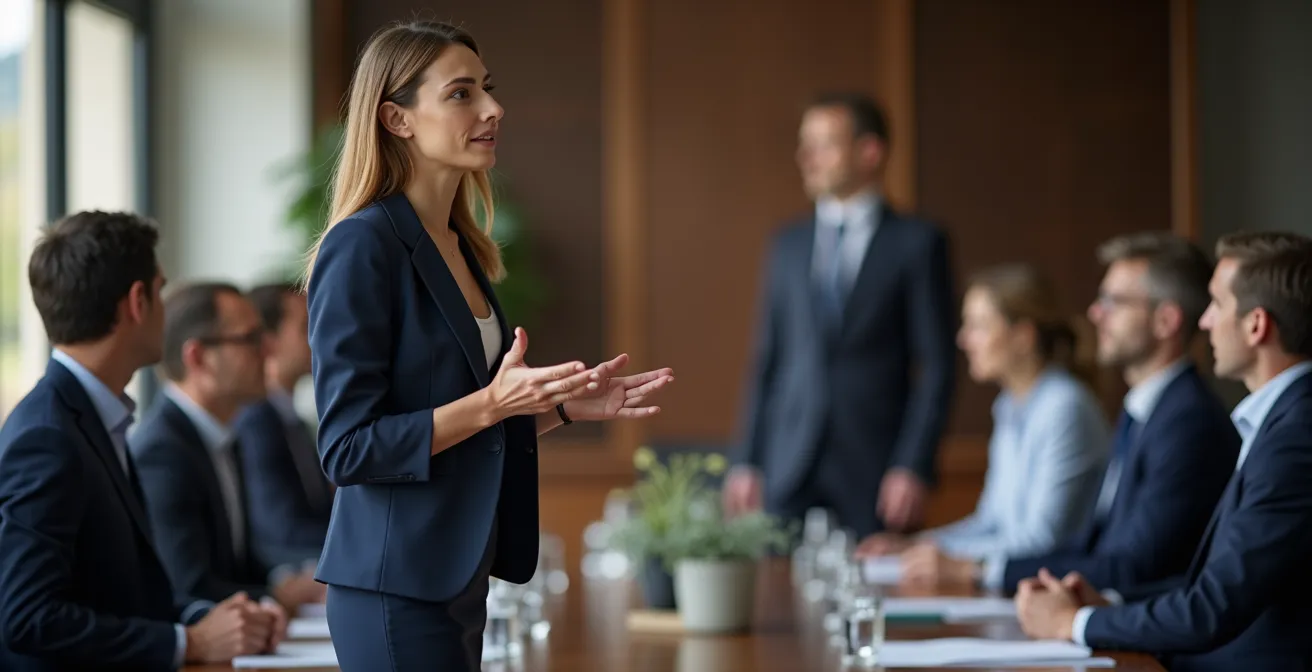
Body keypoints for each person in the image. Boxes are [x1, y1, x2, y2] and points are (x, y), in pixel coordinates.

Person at [302, 21, 674, 671]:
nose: (493, 109)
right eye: (461, 94)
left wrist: (556, 409)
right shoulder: (362, 245)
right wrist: (496, 405)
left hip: (456, 580)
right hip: (395, 587)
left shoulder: (460, 246)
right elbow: (347, 448)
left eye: (488, 90)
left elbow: (467, 419)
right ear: (397, 119)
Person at [1017, 232, 1312, 672]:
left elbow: (1211, 609)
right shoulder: (1280, 421)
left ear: (1256, 325)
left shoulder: (1295, 435)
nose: (1206, 321)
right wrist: (1109, 603)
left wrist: (1075, 622)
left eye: (1217, 304)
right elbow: (1209, 585)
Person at [0, 211, 279, 671]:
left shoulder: (91, 418)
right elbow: (29, 618)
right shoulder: (48, 436)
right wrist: (189, 643)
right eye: (161, 290)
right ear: (137, 302)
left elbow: (119, 595)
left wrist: (203, 621)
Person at [725, 92, 957, 538]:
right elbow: (767, 359)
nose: (806, 156)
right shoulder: (786, 244)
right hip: (786, 461)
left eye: (825, 143)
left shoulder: (918, 243)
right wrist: (747, 460)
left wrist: (912, 463)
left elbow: (938, 365)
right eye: (804, 143)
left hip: (877, 466)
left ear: (870, 152)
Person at [988, 233, 1238, 594]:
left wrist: (990, 572)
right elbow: (1094, 544)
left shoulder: (1189, 422)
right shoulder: (1146, 409)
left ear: (1165, 321)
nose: (1095, 312)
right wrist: (988, 569)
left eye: (1114, 301)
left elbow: (1133, 566)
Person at [856, 264, 1110, 584]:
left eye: (978, 326)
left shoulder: (1064, 407)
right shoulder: (1008, 406)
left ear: (1022, 337)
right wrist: (915, 546)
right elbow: (991, 521)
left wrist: (956, 563)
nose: (963, 340)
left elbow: (1041, 540)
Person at [131, 283, 324, 614]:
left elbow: (236, 564)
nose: (268, 351)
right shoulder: (162, 451)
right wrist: (274, 597)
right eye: (250, 339)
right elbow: (188, 586)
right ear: (198, 358)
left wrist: (280, 583)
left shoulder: (221, 438)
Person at [233, 282, 332, 568]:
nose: (318, 335)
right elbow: (282, 529)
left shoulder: (293, 421)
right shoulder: (256, 421)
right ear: (268, 341)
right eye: (305, 326)